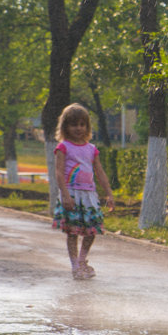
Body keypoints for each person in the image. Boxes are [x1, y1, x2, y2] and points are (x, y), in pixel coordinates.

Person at [52, 103, 114, 279]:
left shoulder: (91, 149)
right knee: (72, 232)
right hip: (72, 194)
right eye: (73, 124)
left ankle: (82, 260)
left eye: (82, 124)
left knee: (91, 231)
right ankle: (75, 266)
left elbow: (99, 172)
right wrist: (65, 195)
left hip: (89, 196)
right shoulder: (63, 147)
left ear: (87, 126)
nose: (78, 128)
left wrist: (109, 193)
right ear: (65, 127)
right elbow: (59, 171)